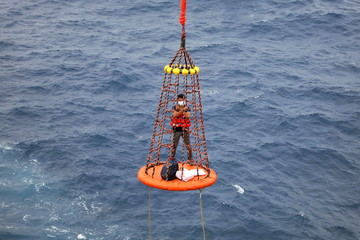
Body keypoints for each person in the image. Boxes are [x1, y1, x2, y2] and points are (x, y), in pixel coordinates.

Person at [170, 94, 193, 162]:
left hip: (185, 129)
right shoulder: (175, 107)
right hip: (176, 129)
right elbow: (174, 114)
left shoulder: (187, 107)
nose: (181, 101)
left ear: (184, 100)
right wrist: (182, 110)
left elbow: (188, 115)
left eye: (182, 100)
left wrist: (180, 111)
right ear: (177, 100)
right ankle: (172, 157)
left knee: (188, 145)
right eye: (180, 100)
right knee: (174, 144)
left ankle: (190, 158)